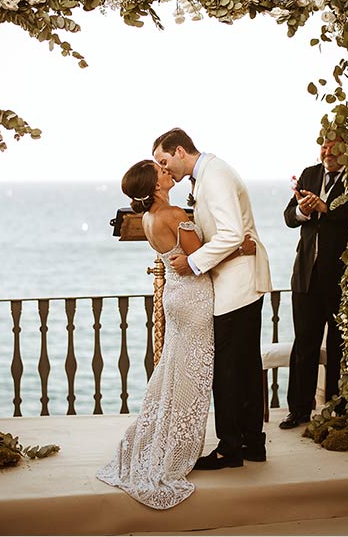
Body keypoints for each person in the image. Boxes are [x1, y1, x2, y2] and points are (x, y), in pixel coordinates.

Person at [96, 159, 215, 509]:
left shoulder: (147, 218)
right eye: (161, 171)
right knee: (190, 380)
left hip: (173, 297)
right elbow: (201, 255)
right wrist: (240, 248)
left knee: (172, 375)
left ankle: (158, 441)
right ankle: (173, 453)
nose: (167, 171)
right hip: (193, 298)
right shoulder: (174, 214)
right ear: (155, 185)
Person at [153, 128, 272, 470]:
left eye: (164, 161)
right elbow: (227, 233)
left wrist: (192, 261)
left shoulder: (215, 175)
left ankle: (230, 447)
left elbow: (233, 233)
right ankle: (252, 442)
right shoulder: (204, 177)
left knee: (230, 368)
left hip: (236, 285)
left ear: (179, 151)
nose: (166, 170)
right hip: (236, 279)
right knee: (246, 365)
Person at [279, 137, 348, 430]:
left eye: (334, 147)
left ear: (347, 150)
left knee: (340, 346)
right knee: (304, 345)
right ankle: (299, 410)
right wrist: (303, 209)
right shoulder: (309, 174)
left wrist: (328, 209)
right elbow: (290, 217)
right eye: (324, 146)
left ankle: (337, 408)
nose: (327, 152)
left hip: (340, 278)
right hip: (305, 276)